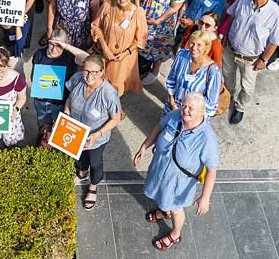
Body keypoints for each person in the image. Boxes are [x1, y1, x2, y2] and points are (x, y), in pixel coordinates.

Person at [132, 93, 219, 251]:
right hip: (160, 170)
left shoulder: (207, 138)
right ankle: (164, 211)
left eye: (190, 108)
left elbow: (212, 170)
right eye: (184, 105)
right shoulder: (174, 115)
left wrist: (205, 198)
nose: (185, 110)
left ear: (201, 111)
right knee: (162, 197)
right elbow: (159, 127)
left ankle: (175, 233)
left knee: (176, 209)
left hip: (178, 183)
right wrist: (144, 147)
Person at [223, 0, 279, 124]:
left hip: (251, 59)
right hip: (230, 49)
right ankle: (227, 98)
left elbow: (275, 41)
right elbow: (231, 15)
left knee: (247, 87)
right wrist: (225, 36)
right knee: (227, 78)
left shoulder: (276, 14)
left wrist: (264, 59)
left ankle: (240, 107)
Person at [66, 55, 122, 210]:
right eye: (86, 71)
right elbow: (70, 98)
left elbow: (115, 119)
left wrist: (97, 134)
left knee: (95, 162)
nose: (89, 76)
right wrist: (66, 112)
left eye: (94, 72)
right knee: (79, 156)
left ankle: (93, 186)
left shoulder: (108, 94)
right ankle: (82, 172)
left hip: (96, 138)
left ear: (102, 72)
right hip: (76, 131)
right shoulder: (77, 79)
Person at [90, 0, 148, 96]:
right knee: (99, 83)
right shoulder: (107, 6)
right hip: (104, 54)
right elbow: (96, 26)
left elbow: (140, 40)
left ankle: (115, 109)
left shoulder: (138, 13)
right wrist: (104, 47)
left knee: (116, 87)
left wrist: (125, 53)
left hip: (123, 58)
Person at [31, 28, 88, 138]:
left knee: (59, 134)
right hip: (41, 102)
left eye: (58, 45)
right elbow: (34, 74)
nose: (53, 49)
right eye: (51, 44)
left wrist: (66, 46)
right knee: (43, 131)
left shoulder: (69, 57)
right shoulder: (39, 54)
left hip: (61, 103)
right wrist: (36, 88)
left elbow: (87, 58)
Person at [164, 31, 221, 117]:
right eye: (192, 43)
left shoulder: (213, 71)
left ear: (206, 47)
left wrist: (188, 112)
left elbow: (211, 104)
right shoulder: (181, 55)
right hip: (172, 108)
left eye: (199, 45)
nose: (194, 48)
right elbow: (171, 80)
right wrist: (172, 103)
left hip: (192, 117)